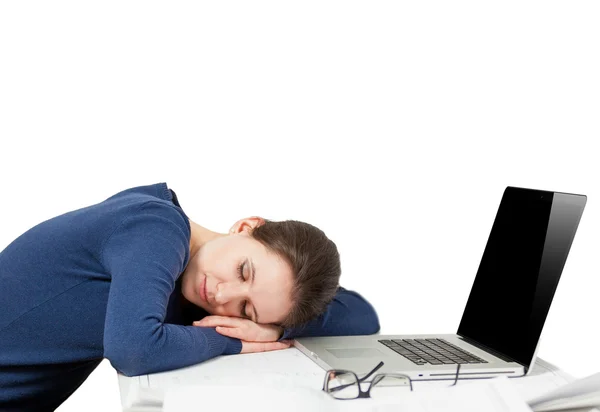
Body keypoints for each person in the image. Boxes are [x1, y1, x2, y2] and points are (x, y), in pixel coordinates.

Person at [0, 182, 380, 411]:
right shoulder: (156, 229)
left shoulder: (188, 278)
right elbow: (134, 349)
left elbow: (361, 315)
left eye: (245, 308)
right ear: (247, 227)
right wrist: (231, 340)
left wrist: (271, 330)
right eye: (242, 270)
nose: (222, 295)